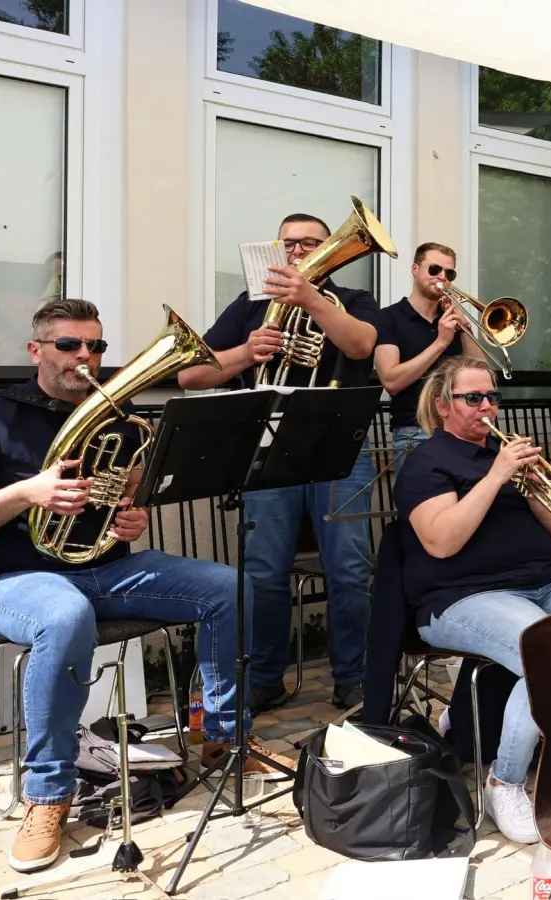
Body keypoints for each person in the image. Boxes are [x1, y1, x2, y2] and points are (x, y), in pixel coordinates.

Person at [0, 300, 293, 874]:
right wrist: (25, 494)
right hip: (19, 579)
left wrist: (132, 513)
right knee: (64, 617)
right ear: (36, 350)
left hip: (106, 567)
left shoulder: (115, 411)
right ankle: (48, 794)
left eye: (96, 347)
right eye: (69, 346)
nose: (85, 358)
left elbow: (132, 488)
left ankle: (223, 739)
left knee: (227, 586)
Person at [393, 355, 551, 843]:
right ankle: (504, 782)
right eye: (474, 398)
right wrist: (495, 477)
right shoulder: (427, 463)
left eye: (492, 396)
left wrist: (533, 488)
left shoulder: (507, 452)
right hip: (460, 597)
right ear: (444, 405)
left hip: (541, 581)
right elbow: (441, 542)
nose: (487, 406)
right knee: (546, 649)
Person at [178, 211, 382, 712]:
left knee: (350, 569)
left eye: (311, 244)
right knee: (264, 571)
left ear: (333, 249)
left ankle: (353, 677)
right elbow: (189, 378)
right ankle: (265, 676)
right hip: (267, 450)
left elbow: (361, 345)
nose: (297, 252)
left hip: (338, 449)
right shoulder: (251, 304)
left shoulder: (351, 300)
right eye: (289, 244)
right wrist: (248, 353)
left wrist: (309, 296)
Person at [374, 242, 485, 474]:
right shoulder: (388, 318)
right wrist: (441, 342)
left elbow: (482, 373)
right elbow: (392, 382)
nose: (442, 277)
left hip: (460, 430)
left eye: (449, 273)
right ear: (415, 270)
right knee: (423, 507)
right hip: (415, 431)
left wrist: (465, 328)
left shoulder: (451, 321)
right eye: (434, 269)